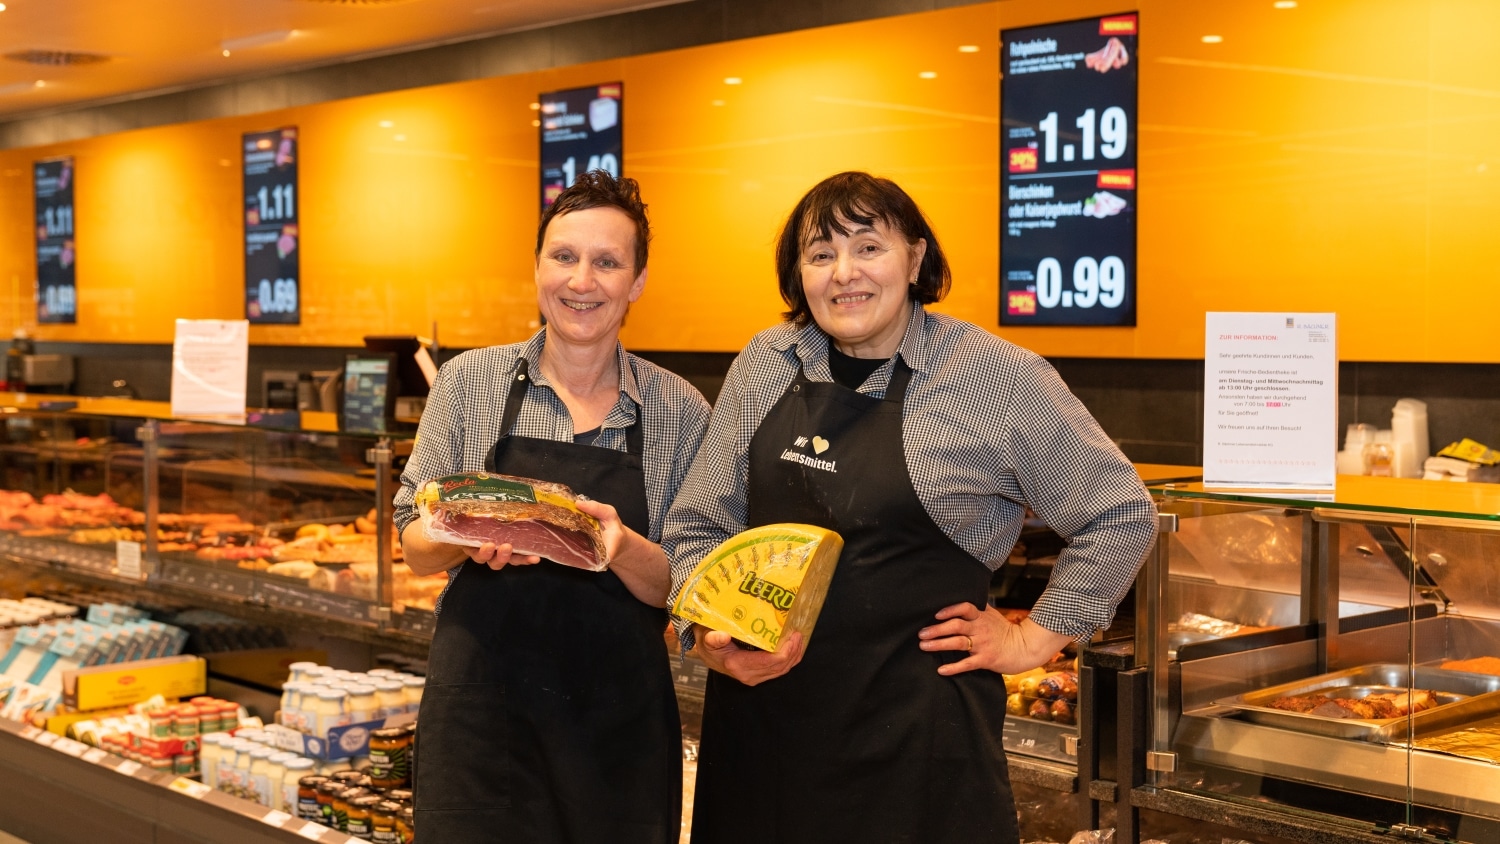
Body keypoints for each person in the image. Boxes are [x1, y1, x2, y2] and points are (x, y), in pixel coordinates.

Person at [663, 171, 1157, 843]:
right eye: (820, 254)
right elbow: (698, 524)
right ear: (797, 274)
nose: (845, 274)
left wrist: (1033, 639)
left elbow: (1121, 513)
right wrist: (710, 636)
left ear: (916, 258)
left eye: (869, 247)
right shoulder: (766, 363)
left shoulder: (996, 377)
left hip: (919, 752)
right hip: (760, 737)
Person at [395, 170, 711, 842]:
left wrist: (619, 546)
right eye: (564, 257)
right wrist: (462, 534)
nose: (581, 281)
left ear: (638, 281)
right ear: (537, 267)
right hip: (482, 723)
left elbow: (690, 588)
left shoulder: (679, 410)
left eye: (607, 262)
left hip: (616, 732)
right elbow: (412, 545)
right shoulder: (467, 382)